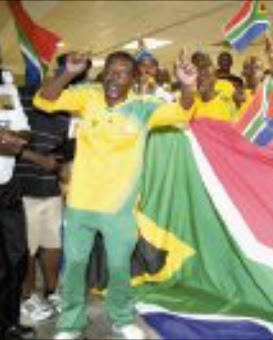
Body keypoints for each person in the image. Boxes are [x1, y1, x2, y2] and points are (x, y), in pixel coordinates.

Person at [33, 50, 197, 340]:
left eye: (122, 72)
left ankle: (121, 319)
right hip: (80, 203)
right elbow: (45, 99)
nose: (113, 77)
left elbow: (183, 111)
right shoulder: (87, 95)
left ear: (134, 79)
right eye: (110, 70)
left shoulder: (144, 107)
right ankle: (70, 324)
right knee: (74, 267)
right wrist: (68, 72)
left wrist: (187, 85)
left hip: (119, 209)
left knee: (119, 267)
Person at [17, 53, 90, 325]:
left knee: (52, 245)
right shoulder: (22, 96)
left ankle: (50, 291)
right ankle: (26, 299)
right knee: (26, 248)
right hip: (22, 187)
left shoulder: (68, 106)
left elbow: (67, 148)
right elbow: (7, 138)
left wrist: (63, 165)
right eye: (70, 72)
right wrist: (40, 159)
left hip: (50, 189)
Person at [0, 34, 36, 340]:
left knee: (17, 258)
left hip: (7, 187)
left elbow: (22, 128)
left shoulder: (3, 88)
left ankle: (10, 321)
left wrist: (18, 139)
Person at [192, 55, 238, 123]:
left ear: (214, 77)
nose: (202, 79)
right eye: (198, 76)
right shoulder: (192, 102)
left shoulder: (226, 89)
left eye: (206, 76)